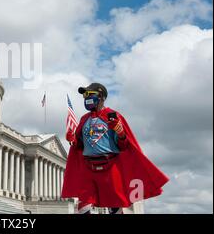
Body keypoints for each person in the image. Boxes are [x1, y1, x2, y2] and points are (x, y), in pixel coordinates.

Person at [62, 83, 169, 214]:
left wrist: (120, 133)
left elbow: (123, 146)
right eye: (84, 95)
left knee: (114, 203)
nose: (86, 98)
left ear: (101, 97)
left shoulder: (112, 116)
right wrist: (72, 139)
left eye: (89, 94)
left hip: (110, 166)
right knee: (83, 203)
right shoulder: (84, 119)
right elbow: (79, 145)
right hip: (88, 167)